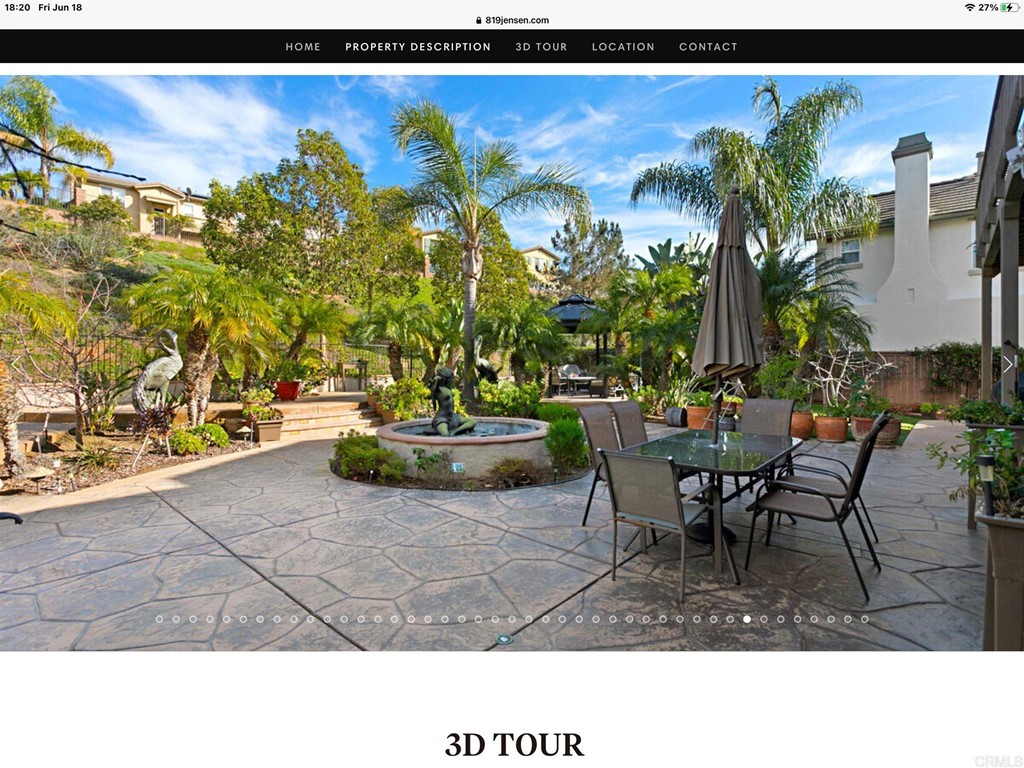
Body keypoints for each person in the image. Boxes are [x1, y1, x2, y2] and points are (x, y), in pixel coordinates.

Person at [429, 367, 476, 436]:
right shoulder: (438, 390)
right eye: (450, 378)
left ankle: (455, 431)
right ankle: (445, 429)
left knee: (473, 422)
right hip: (442, 418)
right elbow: (434, 388)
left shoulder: (447, 388)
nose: (451, 380)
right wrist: (436, 380)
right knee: (445, 434)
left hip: (452, 416)